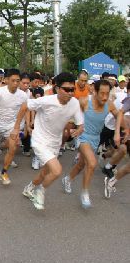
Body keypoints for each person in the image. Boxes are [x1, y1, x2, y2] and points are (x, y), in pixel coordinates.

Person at [14, 72, 84, 210]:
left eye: (72, 89)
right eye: (67, 89)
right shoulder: (46, 100)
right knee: (57, 171)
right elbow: (24, 106)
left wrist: (79, 129)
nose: (70, 93)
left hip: (55, 142)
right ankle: (41, 191)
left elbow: (80, 123)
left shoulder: (74, 103)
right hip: (40, 140)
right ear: (57, 88)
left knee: (46, 172)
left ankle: (29, 188)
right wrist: (16, 128)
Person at [61, 79, 121, 208]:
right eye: (102, 93)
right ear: (95, 91)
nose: (105, 97)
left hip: (95, 138)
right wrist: (71, 127)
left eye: (107, 93)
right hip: (83, 136)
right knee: (92, 163)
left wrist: (117, 132)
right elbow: (71, 111)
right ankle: (85, 193)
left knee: (81, 164)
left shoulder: (109, 105)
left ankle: (68, 179)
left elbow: (119, 115)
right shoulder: (84, 102)